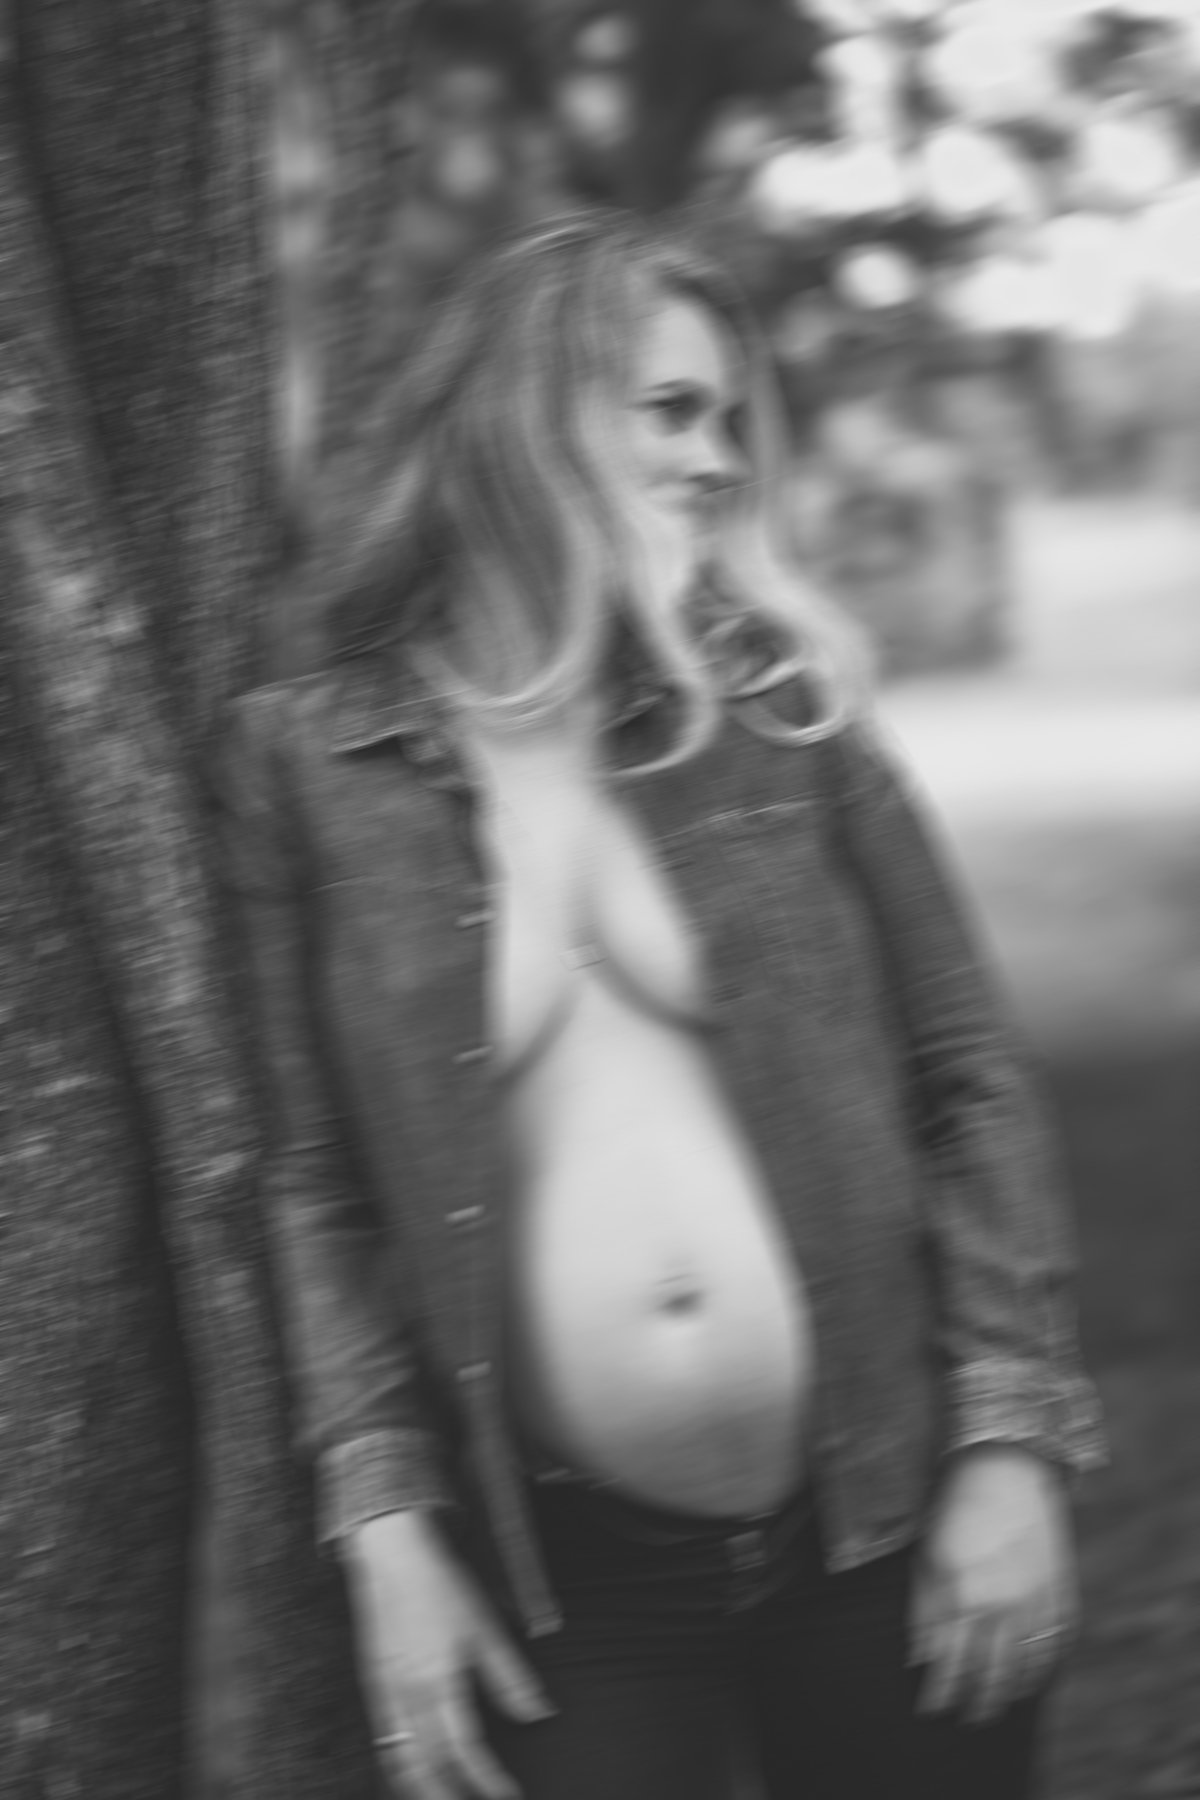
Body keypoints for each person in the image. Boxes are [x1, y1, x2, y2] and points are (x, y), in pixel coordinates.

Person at [217, 208, 1105, 1800]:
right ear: (530, 413)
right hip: (573, 1583)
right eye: (673, 411)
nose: (719, 460)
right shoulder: (307, 765)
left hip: (892, 1517)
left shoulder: (781, 715)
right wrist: (387, 1536)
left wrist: (1009, 1444)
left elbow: (967, 1073)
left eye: (730, 421)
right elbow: (314, 1184)